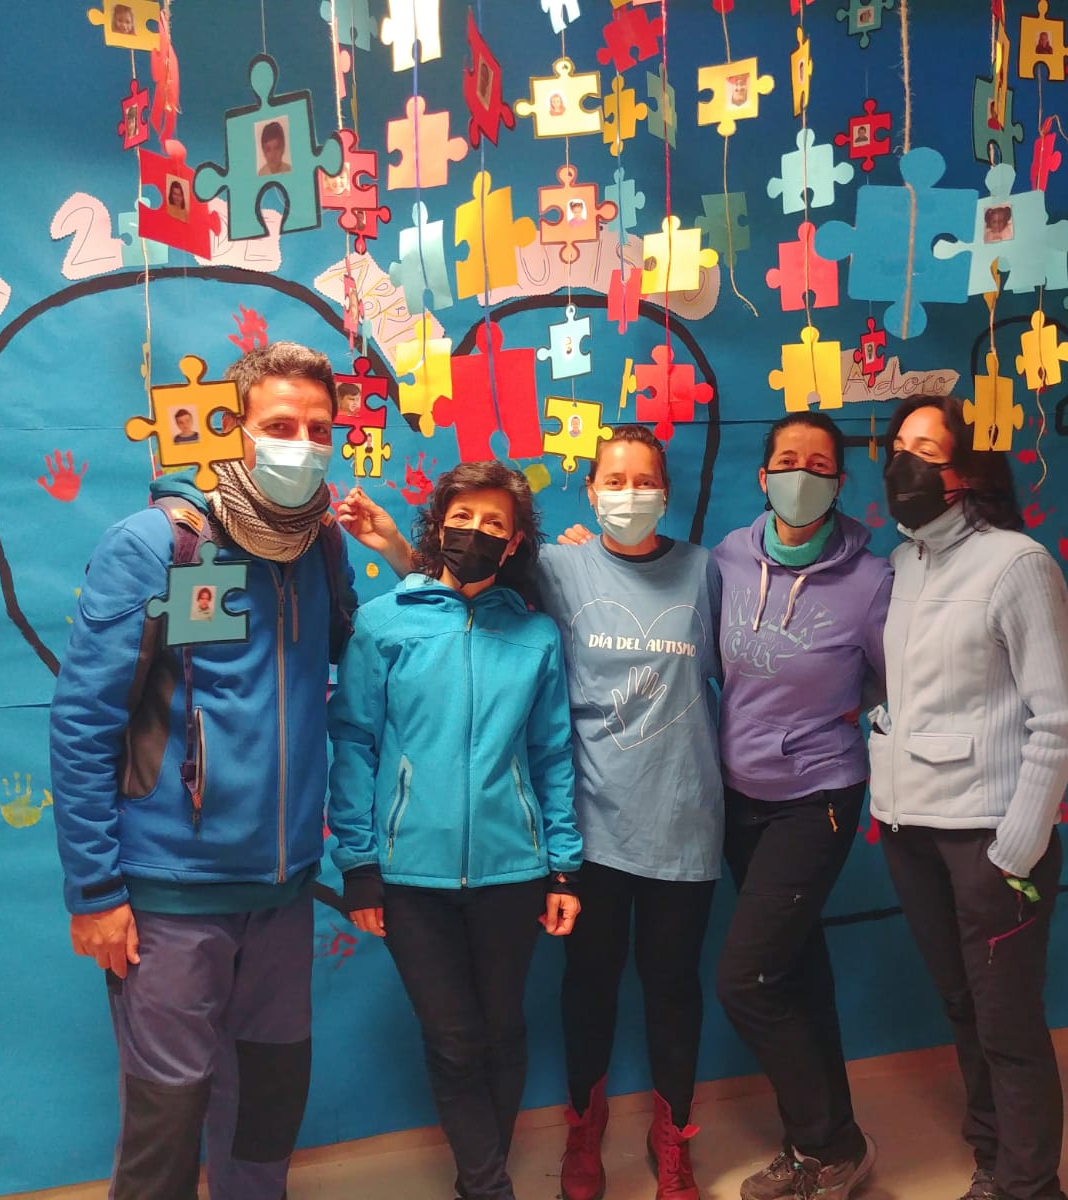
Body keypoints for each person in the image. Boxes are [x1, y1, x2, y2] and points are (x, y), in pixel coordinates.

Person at [50, 341, 413, 1200]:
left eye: (319, 429)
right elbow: (84, 721)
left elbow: (362, 656)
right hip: (171, 894)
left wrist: (403, 555)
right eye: (281, 424)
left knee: (267, 1111)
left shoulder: (321, 549)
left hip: (281, 892)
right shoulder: (159, 544)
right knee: (167, 1122)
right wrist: (93, 891)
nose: (303, 444)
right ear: (238, 430)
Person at [329, 462, 583, 1200]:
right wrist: (358, 865)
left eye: (495, 523)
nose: (476, 532)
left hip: (514, 871)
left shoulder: (535, 635)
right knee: (452, 1038)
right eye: (463, 517)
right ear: (438, 525)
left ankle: (481, 1183)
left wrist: (563, 867)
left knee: (502, 1030)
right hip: (410, 877)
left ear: (516, 543)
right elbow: (353, 744)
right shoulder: (383, 624)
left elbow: (552, 753)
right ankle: (489, 1186)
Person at [871, 396, 1068, 1200]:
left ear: (968, 470)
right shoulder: (901, 564)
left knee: (1007, 1022)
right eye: (898, 446)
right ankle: (994, 1160)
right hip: (910, 832)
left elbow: (1060, 722)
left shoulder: (1017, 564)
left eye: (927, 449)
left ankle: (1030, 1185)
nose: (905, 463)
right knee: (963, 1007)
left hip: (988, 841)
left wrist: (1015, 849)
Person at [540, 427, 724, 1200]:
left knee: (673, 986)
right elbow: (465, 592)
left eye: (643, 480)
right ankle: (584, 1131)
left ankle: (672, 1136)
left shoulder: (707, 571)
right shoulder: (559, 566)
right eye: (613, 480)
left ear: (665, 491)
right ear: (589, 490)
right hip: (591, 828)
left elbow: (755, 669)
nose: (629, 494)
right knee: (589, 983)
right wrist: (389, 543)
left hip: (684, 820)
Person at [713, 413, 893, 1200]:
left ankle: (830, 1143)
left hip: (817, 796)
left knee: (747, 980)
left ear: (840, 482)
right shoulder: (727, 560)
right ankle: (822, 1142)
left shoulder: (872, 581)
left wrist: (849, 710)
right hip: (738, 796)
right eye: (788, 461)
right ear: (763, 476)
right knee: (795, 971)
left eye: (820, 465)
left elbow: (896, 677)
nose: (802, 475)